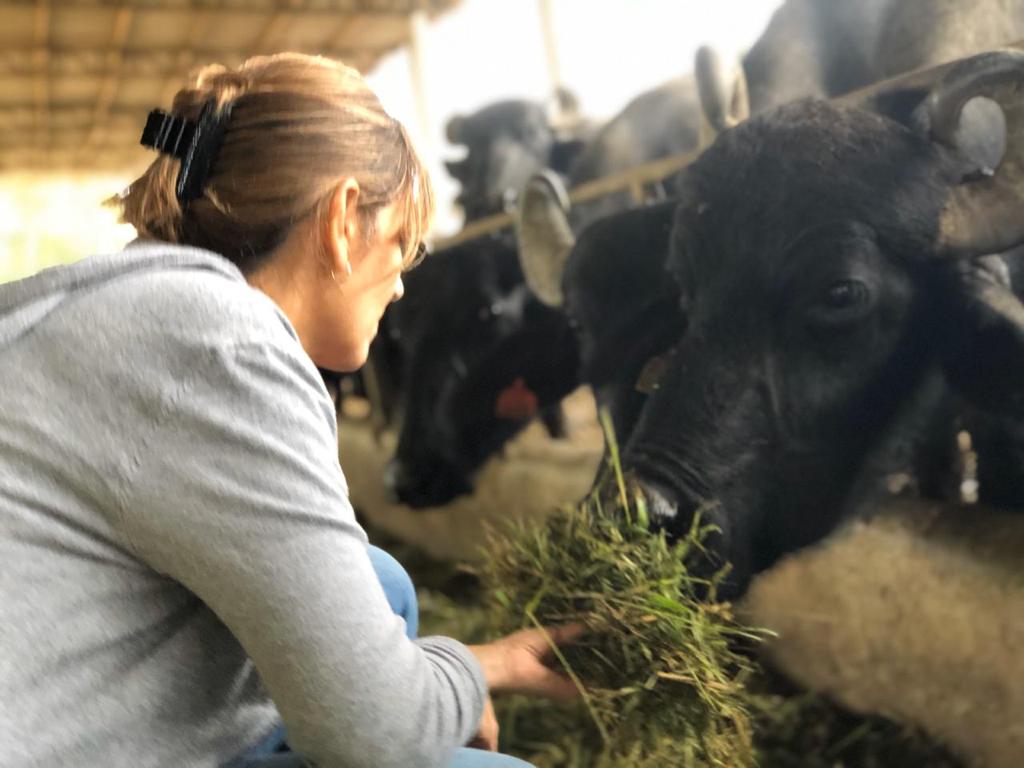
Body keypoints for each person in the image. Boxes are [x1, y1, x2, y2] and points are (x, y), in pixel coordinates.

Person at [0, 53, 580, 768]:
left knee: (385, 585)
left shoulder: (130, 306)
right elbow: (377, 735)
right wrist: (477, 671)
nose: (400, 286)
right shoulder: (223, 347)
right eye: (403, 244)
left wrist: (428, 678)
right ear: (342, 219)